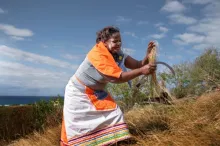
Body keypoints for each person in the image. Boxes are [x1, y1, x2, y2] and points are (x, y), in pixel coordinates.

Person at [60, 26, 157, 146]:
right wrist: (142, 71)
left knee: (114, 113)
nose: (119, 43)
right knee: (80, 125)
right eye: (115, 41)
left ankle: (112, 141)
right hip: (78, 93)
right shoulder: (98, 54)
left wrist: (147, 56)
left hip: (95, 93)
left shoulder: (118, 54)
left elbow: (138, 64)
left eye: (120, 40)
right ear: (104, 42)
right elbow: (116, 77)